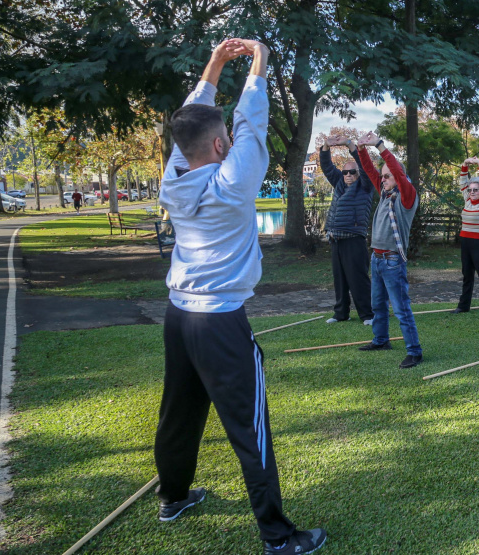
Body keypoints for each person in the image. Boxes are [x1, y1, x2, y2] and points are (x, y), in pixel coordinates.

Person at [155, 38, 326, 555]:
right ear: (221, 146)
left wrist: (213, 66)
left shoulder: (174, 176)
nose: (230, 137)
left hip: (179, 316)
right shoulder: (232, 182)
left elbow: (193, 123)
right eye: (224, 136)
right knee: (251, 430)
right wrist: (258, 62)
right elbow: (251, 121)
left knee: (178, 411)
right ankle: (278, 536)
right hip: (219, 323)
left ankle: (174, 497)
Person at [355, 131, 423, 369]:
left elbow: (396, 170)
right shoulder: (384, 194)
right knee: (377, 305)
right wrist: (361, 149)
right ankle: (381, 340)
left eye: (388, 176)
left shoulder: (407, 197)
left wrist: (380, 146)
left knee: (401, 309)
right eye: (383, 177)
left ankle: (414, 352)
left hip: (393, 261)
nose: (383, 179)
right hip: (377, 258)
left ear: (398, 177)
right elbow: (370, 170)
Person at [320, 134, 375, 326]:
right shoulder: (339, 183)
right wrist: (326, 146)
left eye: (352, 172)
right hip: (336, 238)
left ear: (359, 173)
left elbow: (365, 166)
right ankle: (340, 313)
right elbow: (327, 167)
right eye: (345, 172)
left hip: (354, 239)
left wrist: (350, 144)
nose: (348, 176)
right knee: (340, 279)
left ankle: (368, 315)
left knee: (358, 279)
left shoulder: (366, 186)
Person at [450, 157, 479, 319]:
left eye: (476, 189)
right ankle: (464, 306)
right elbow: (462, 181)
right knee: (467, 276)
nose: (472, 192)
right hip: (465, 242)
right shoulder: (467, 200)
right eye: (470, 189)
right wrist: (464, 165)